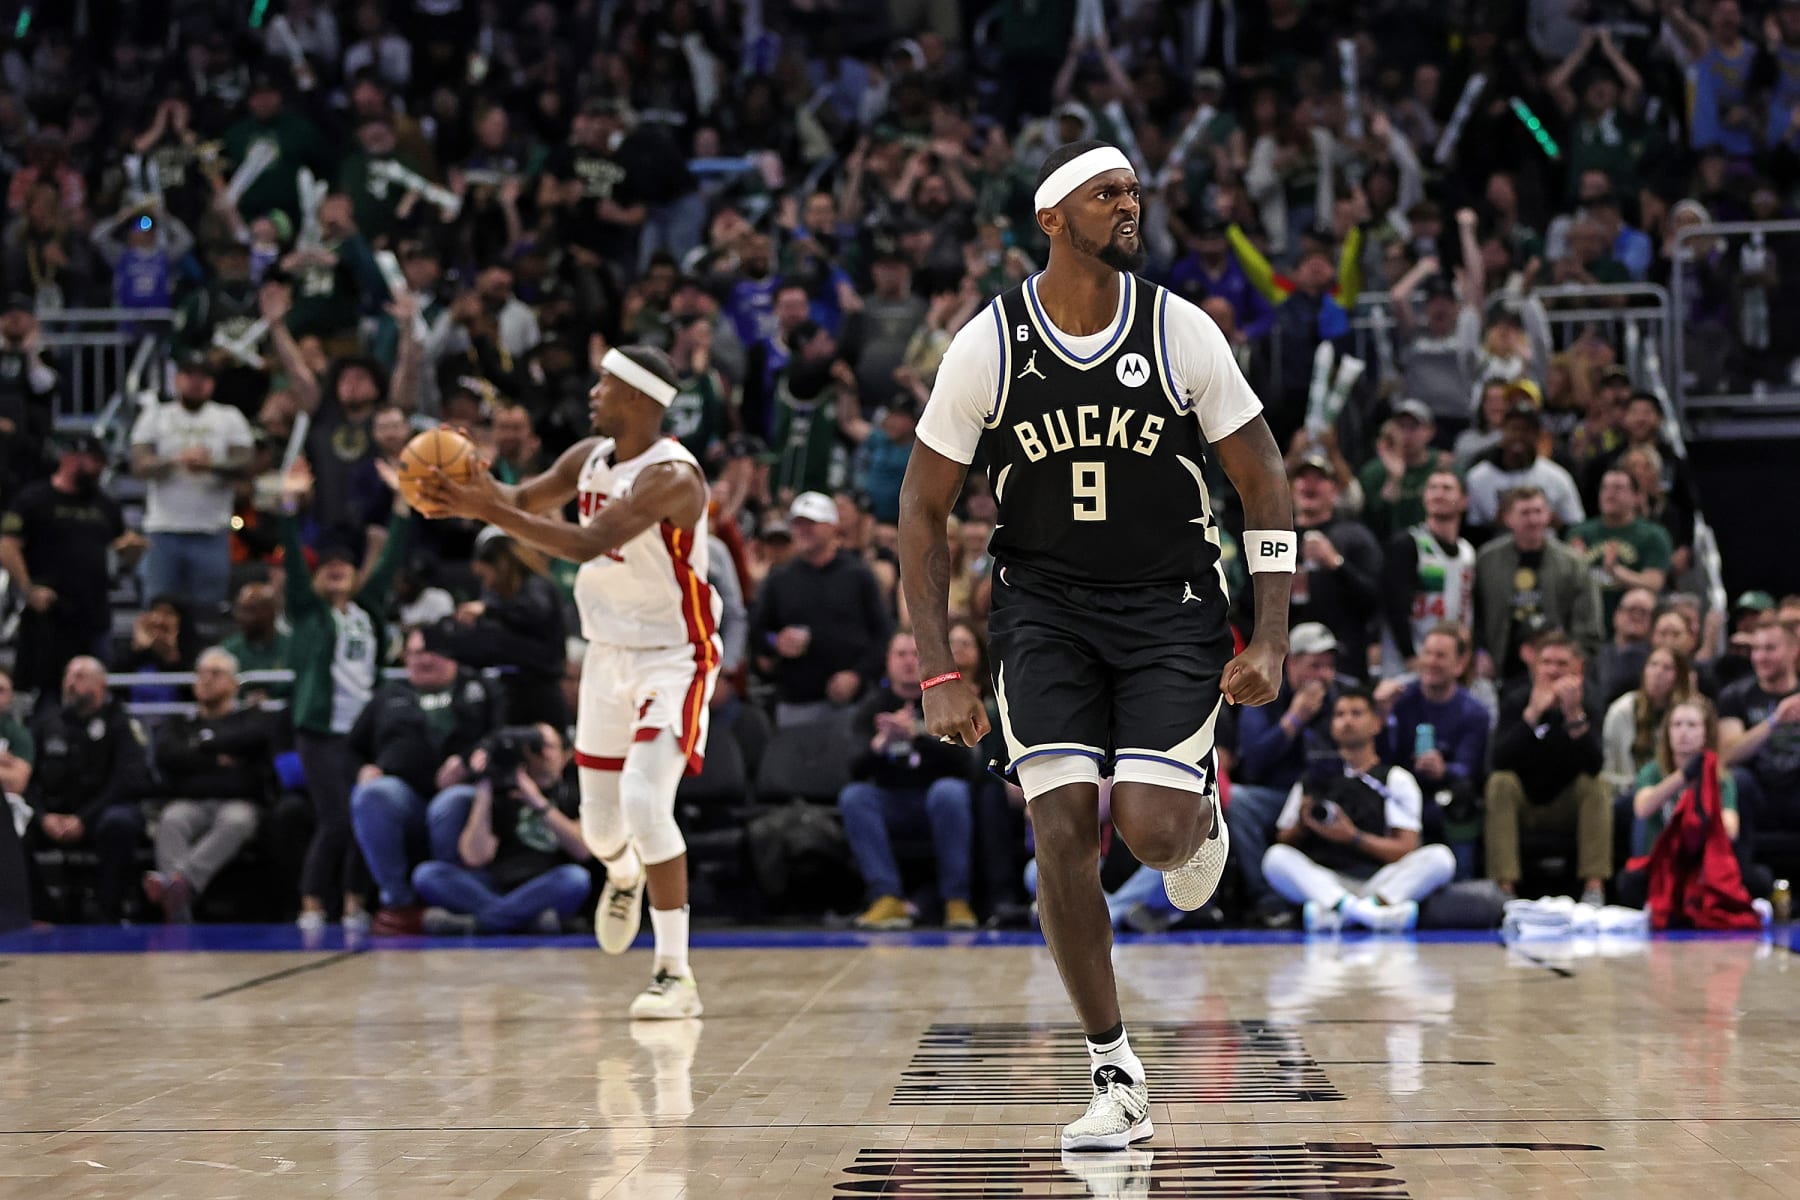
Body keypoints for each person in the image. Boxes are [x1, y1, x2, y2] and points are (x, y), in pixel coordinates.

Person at [899, 140, 1294, 1152]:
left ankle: (1197, 815)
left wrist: (1273, 636)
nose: (1129, 206)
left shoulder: (1180, 330)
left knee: (1150, 835)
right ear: (1052, 218)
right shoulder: (989, 344)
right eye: (1106, 193)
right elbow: (922, 507)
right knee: (1062, 828)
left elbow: (1264, 483)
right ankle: (1115, 1071)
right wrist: (939, 667)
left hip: (1171, 607)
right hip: (1043, 611)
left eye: (1133, 192)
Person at [422, 344, 722, 1020]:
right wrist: (467, 487)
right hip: (606, 656)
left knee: (646, 801)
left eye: (605, 383)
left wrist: (485, 510)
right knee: (602, 831)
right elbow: (518, 501)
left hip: (675, 657)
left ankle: (674, 973)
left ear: (639, 397)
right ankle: (624, 874)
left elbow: (585, 542)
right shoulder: (587, 457)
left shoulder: (673, 477)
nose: (593, 392)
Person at [281, 457, 412, 936]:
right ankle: (313, 901)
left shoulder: (367, 611)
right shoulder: (308, 613)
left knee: (362, 817)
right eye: (328, 567)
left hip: (360, 734)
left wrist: (401, 503)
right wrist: (290, 506)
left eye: (345, 566)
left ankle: (356, 901)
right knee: (334, 819)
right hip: (319, 732)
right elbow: (293, 563)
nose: (336, 570)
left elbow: (391, 558)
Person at [1263, 690, 1457, 932]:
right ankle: (1368, 914)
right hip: (1326, 879)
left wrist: (1353, 836)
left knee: (1440, 858)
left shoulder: (1395, 778)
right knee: (1275, 858)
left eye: (1356, 713)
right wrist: (1303, 824)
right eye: (1340, 715)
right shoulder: (1313, 779)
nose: (1347, 721)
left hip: (1380, 879)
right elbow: (1284, 839)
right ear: (1332, 725)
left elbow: (1406, 848)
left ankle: (1344, 913)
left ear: (1376, 723)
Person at [348, 625, 499, 935]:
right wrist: (362, 769)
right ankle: (398, 903)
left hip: (464, 794)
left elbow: (499, 737)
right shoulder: (390, 694)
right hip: (406, 796)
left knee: (450, 802)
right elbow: (352, 748)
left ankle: (448, 895)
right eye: (415, 653)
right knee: (373, 794)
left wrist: (468, 763)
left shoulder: (480, 688)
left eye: (431, 651)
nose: (423, 660)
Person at [838, 631, 978, 931]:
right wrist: (880, 744)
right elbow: (851, 768)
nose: (908, 662)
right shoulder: (872, 706)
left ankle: (956, 900)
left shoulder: (946, 701)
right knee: (855, 797)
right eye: (900, 654)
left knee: (950, 792)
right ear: (888, 662)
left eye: (915, 654)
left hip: (937, 800)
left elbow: (969, 763)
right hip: (892, 800)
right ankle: (886, 897)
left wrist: (919, 735)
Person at [1224, 623, 1357, 924]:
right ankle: (1269, 901)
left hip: (1333, 791)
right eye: (1315, 666)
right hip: (1280, 795)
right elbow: (1253, 764)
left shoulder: (1345, 694)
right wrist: (1294, 719)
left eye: (1329, 666)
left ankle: (1353, 885)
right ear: (1291, 663)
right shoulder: (1263, 690)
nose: (1323, 675)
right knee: (1240, 801)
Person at [413, 724, 595, 935]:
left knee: (576, 878)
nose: (543, 754)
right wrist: (485, 789)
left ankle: (476, 923)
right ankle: (525, 920)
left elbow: (582, 850)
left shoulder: (571, 792)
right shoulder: (502, 790)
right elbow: (474, 857)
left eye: (549, 747)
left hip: (543, 884)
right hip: (495, 883)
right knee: (427, 874)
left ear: (565, 755)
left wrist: (536, 800)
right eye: (536, 747)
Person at [144, 648, 282, 923]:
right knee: (171, 819)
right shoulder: (179, 723)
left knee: (236, 821)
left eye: (215, 673)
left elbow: (255, 743)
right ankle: (180, 902)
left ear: (234, 683)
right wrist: (218, 758)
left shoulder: (251, 718)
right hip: (190, 802)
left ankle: (179, 883)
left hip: (238, 802)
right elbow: (168, 755)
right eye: (201, 674)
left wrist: (198, 752)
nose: (205, 679)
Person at [0, 434, 143, 699]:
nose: (98, 468)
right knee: (46, 690)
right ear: (70, 459)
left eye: (101, 462)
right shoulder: (34, 499)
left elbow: (123, 548)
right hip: (50, 611)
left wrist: (132, 550)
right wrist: (28, 589)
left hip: (93, 611)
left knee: (95, 685)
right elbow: (8, 546)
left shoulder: (105, 504)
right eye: (93, 461)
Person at [1484, 632, 1611, 903]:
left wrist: (1574, 716)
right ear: (1534, 666)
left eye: (1562, 663)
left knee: (1597, 786)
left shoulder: (1590, 700)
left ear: (1578, 668)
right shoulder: (1515, 699)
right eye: (1546, 662)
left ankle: (1594, 888)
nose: (1553, 670)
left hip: (1568, 803)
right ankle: (1504, 890)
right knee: (1500, 783)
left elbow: (1595, 764)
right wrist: (1531, 715)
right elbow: (1498, 761)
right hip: (1524, 803)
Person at [748, 491, 892, 727]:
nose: (803, 530)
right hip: (795, 702)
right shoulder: (780, 579)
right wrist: (776, 642)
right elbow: (758, 632)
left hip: (851, 704)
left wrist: (858, 675)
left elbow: (883, 634)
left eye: (811, 524)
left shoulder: (858, 575)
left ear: (833, 527)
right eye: (798, 524)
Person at [25, 657, 148, 922]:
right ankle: (42, 913)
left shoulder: (121, 722)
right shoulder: (46, 722)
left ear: (101, 684)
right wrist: (42, 816)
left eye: (80, 676)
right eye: (67, 675)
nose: (70, 683)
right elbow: (28, 779)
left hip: (100, 813)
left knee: (120, 823)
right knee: (14, 826)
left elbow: (127, 781)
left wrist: (84, 818)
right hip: (54, 815)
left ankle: (107, 912)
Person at [1375, 624, 1490, 877]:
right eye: (1427, 653)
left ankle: (1463, 883)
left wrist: (1444, 770)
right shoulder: (1400, 701)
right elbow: (1380, 759)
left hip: (1447, 796)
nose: (1431, 662)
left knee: (1462, 798)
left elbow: (1470, 767)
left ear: (1460, 664)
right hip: (1400, 790)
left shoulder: (1475, 713)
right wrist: (1380, 715)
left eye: (1440, 655)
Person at [434, 527, 570, 726]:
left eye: (485, 575)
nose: (486, 584)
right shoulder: (501, 597)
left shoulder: (536, 586)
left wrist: (488, 609)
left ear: (500, 566)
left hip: (541, 690)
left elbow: (534, 612)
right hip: (512, 689)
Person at [1472, 486, 1603, 680]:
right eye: (1525, 513)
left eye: (1538, 511)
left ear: (1548, 515)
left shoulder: (1573, 564)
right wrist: (1479, 652)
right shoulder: (1487, 560)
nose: (1533, 520)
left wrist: (1573, 663)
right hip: (1502, 664)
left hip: (1558, 669)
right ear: (1508, 518)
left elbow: (1587, 624)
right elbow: (1475, 615)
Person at [1379, 469, 1474, 676]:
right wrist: (1410, 656)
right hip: (1410, 662)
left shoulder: (1468, 553)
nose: (1438, 494)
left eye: (1447, 488)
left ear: (1464, 500)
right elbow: (1394, 605)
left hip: (1451, 663)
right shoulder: (1408, 545)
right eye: (1432, 488)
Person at [1567, 469, 1673, 636]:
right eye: (1605, 488)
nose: (1610, 494)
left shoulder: (1653, 535)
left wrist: (1616, 571)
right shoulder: (1579, 533)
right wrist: (1574, 563)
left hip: (1632, 629)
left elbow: (1654, 583)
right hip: (1586, 626)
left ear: (1637, 496)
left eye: (1618, 488)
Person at [1719, 618, 1800, 832]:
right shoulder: (1735, 695)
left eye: (1770, 649)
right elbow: (1726, 754)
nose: (1760, 657)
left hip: (1795, 790)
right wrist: (1774, 721)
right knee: (1737, 779)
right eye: (1756, 649)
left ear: (1794, 651)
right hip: (1757, 792)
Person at [1464, 401, 1585, 534]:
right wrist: (1496, 526)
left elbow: (1576, 525)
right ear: (1503, 430)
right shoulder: (1477, 478)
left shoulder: (1557, 477)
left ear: (1537, 435)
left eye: (1527, 430)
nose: (1519, 435)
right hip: (1496, 544)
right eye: (1514, 428)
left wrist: (1557, 524)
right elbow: (1472, 528)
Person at [1601, 646, 1695, 797]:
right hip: (1629, 791)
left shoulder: (1688, 714)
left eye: (1667, 668)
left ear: (1679, 676)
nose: (1658, 672)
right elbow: (1607, 771)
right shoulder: (1622, 711)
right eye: (1653, 664)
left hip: (1676, 791)